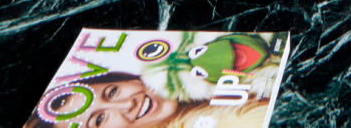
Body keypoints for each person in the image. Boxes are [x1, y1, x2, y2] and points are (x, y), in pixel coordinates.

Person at [26, 69, 270, 125]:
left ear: (128, 78)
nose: (127, 104)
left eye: (112, 92)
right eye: (99, 120)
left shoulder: (204, 73)